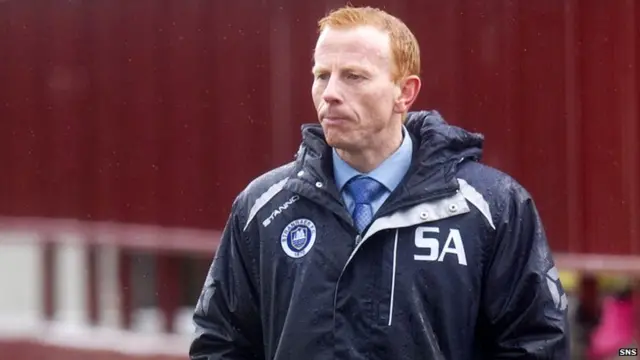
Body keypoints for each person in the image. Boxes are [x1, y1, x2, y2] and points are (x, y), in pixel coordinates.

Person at [189, 5, 570, 359]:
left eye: (353, 76)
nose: (331, 94)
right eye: (322, 76)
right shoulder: (263, 208)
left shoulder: (493, 207)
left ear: (405, 93)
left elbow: (535, 344)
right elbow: (220, 343)